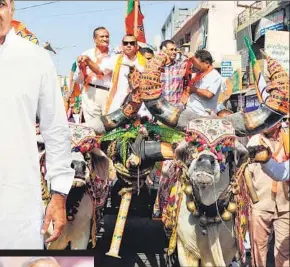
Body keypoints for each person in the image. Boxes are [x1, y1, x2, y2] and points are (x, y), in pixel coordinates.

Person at [0, 0, 74, 249]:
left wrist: (59, 194)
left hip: (16, 201)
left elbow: (55, 129)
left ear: (11, 8)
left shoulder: (35, 59)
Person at [247, 123, 289, 267]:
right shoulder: (254, 141)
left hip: (285, 204)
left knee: (284, 252)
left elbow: (283, 172)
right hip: (260, 204)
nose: (265, 123)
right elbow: (247, 173)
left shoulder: (288, 139)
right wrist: (253, 200)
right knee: (258, 249)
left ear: (278, 123)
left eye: (270, 120)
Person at [75, 27, 111, 127]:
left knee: (108, 125)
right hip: (90, 92)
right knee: (93, 126)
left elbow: (101, 71)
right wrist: (82, 67)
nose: (105, 39)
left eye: (107, 36)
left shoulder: (113, 54)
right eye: (102, 36)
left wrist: (88, 61)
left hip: (108, 94)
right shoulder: (86, 53)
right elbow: (79, 79)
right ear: (94, 39)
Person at [183, 49, 222, 116]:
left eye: (197, 64)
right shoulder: (198, 74)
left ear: (207, 63)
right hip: (190, 112)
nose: (195, 66)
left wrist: (194, 89)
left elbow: (209, 94)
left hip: (203, 115)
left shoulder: (215, 76)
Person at [159, 40, 189, 110]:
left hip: (177, 108)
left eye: (175, 50)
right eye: (171, 49)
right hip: (161, 108)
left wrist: (184, 53)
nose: (174, 52)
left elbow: (194, 61)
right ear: (163, 51)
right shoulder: (157, 68)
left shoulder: (180, 65)